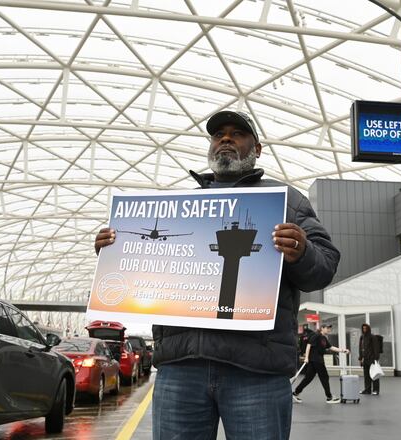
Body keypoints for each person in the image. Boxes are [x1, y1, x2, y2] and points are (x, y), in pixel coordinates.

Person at [93, 110, 340, 440]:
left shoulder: (287, 202)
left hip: (257, 372)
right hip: (181, 368)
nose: (225, 138)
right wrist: (115, 251)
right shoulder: (178, 206)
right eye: (218, 134)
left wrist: (302, 251)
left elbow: (323, 267)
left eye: (237, 133)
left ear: (258, 148)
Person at [292, 323, 349, 404]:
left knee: (308, 378)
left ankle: (296, 392)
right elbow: (309, 345)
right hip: (316, 360)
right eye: (327, 328)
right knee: (324, 377)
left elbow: (331, 347)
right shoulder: (317, 335)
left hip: (315, 360)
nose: (329, 329)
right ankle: (329, 397)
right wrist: (307, 357)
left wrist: (343, 350)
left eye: (330, 328)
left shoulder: (324, 338)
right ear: (322, 328)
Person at [358, 323, 381, 395]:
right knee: (366, 375)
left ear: (368, 329)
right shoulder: (362, 337)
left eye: (366, 328)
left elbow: (376, 348)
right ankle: (367, 390)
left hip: (372, 359)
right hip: (365, 359)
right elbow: (360, 348)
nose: (364, 330)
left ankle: (376, 390)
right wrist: (360, 358)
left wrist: (376, 358)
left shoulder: (372, 337)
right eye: (363, 328)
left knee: (374, 375)